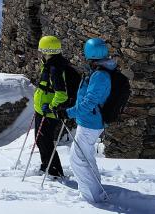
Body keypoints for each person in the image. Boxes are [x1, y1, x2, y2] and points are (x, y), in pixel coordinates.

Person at [55, 38, 115, 203]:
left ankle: (91, 197)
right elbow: (85, 97)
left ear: (90, 54)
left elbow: (90, 102)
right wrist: (70, 105)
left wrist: (68, 112)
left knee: (77, 159)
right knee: (86, 157)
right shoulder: (97, 71)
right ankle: (95, 191)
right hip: (89, 121)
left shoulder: (100, 75)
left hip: (90, 123)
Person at [32, 35, 73, 178]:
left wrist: (50, 106)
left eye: (42, 50)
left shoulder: (55, 69)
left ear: (47, 50)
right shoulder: (52, 64)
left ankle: (54, 171)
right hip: (42, 110)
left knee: (44, 141)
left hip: (48, 112)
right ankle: (47, 167)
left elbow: (61, 94)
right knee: (41, 140)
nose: (41, 53)